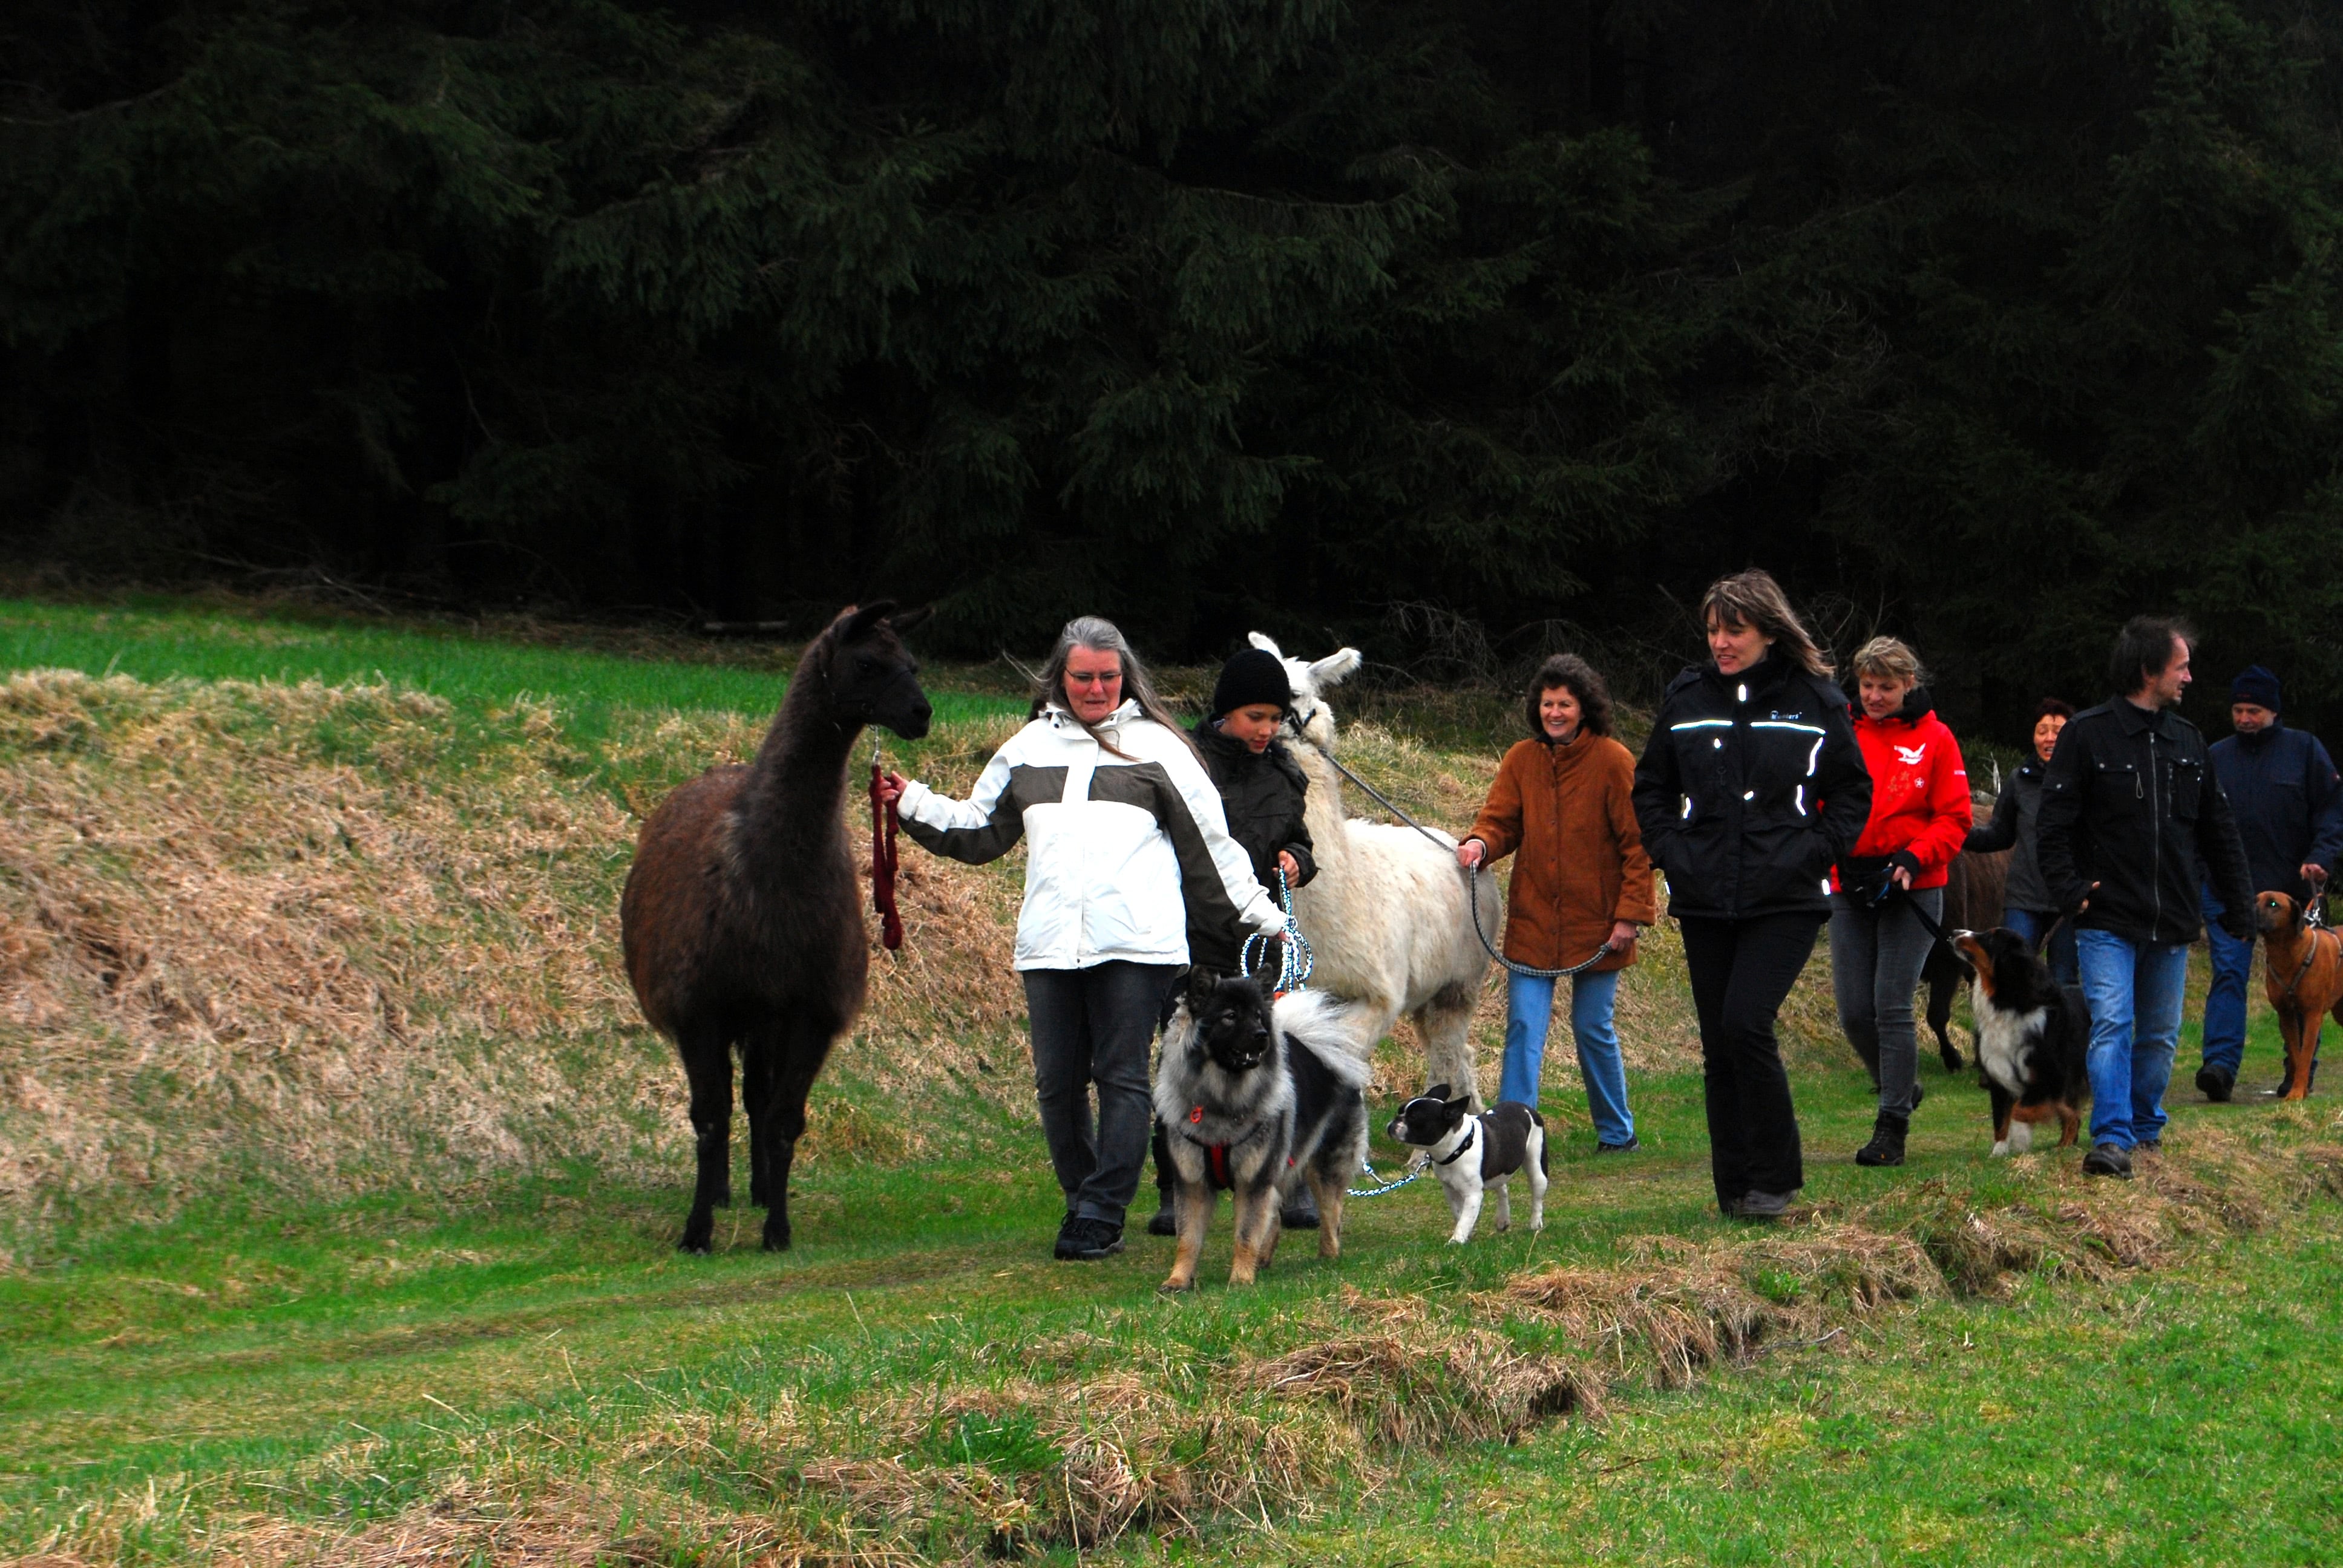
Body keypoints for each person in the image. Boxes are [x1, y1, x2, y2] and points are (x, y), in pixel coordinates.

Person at [881, 616, 1285, 1259]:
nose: (1095, 688)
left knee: (1120, 1075)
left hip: (1137, 944)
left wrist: (1268, 922)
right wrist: (911, 803)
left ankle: (1101, 1212)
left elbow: (1211, 850)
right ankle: (1081, 1200)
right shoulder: (1025, 749)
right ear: (1059, 677)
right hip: (1048, 945)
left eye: (1106, 676)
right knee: (1055, 1084)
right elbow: (979, 829)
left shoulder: (1160, 748)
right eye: (1081, 677)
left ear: (1123, 677)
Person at [1632, 570, 1871, 1219]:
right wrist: (1670, 850)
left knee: (1746, 1023)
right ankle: (1734, 1188)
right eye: (1712, 629)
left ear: (1768, 630)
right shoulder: (1685, 698)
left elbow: (1852, 792)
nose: (1720, 642)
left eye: (1733, 629)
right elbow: (1649, 786)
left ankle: (1776, 1177)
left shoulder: (1813, 699)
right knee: (1718, 1044)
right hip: (1705, 894)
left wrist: (1814, 849)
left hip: (1786, 896)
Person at [2036, 616, 2254, 1178]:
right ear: (2148, 670)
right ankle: (2110, 1140)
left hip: (2173, 918)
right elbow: (2053, 827)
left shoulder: (2189, 741)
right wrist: (2071, 892)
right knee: (2113, 1023)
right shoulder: (2086, 735)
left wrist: (2239, 904)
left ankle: (2146, 1132)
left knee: (2159, 1034)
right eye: (2181, 667)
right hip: (2105, 916)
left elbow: (2218, 830)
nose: (2189, 677)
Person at [1144, 645, 1320, 1236]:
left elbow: (1299, 840)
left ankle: (1284, 1180)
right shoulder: (1184, 765)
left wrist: (1296, 860)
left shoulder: (1284, 773)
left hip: (1260, 945)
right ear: (1225, 713)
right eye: (1254, 717)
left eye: (1274, 719)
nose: (1266, 730)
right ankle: (1175, 1185)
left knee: (1273, 1062)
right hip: (1190, 940)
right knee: (1183, 1063)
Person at [1457, 655, 1656, 1152]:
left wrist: (1630, 915)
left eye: (1565, 703)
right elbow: (1500, 821)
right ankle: (1510, 1137)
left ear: (1584, 708)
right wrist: (1480, 843)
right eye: (1548, 703)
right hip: (1534, 920)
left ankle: (1617, 1133)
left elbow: (1639, 845)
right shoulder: (1521, 759)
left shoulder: (1614, 760)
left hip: (1600, 923)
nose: (1555, 712)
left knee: (1593, 1028)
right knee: (1524, 1026)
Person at [1827, 638, 1973, 1169]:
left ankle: (1892, 1125)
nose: (1875, 696)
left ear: (1908, 684)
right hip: (1851, 883)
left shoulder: (1936, 738)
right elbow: (1823, 800)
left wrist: (1914, 858)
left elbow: (1955, 816)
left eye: (1886, 687)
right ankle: (1900, 1085)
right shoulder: (1841, 732)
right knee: (1853, 1010)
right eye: (1867, 686)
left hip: (1915, 885)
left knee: (1892, 1006)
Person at [2194, 665, 2343, 1101]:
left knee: (2302, 987)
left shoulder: (2305, 751)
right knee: (2228, 974)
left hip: (2289, 898)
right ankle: (2219, 1066)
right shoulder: (2216, 757)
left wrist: (2320, 859)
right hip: (2228, 891)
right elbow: (2196, 821)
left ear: (2274, 712)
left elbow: (2332, 812)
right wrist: (2203, 868)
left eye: (2254, 710)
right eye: (2238, 710)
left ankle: (2299, 1070)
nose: (2244, 718)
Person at [1965, 699, 2080, 988]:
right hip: (2024, 898)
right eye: (2043, 730)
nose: (2049, 738)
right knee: (2012, 978)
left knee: (2063, 981)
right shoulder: (2020, 781)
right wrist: (1957, 834)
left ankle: (2058, 1034)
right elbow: (2000, 835)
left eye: (2058, 731)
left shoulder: (2086, 782)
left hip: (2069, 901)